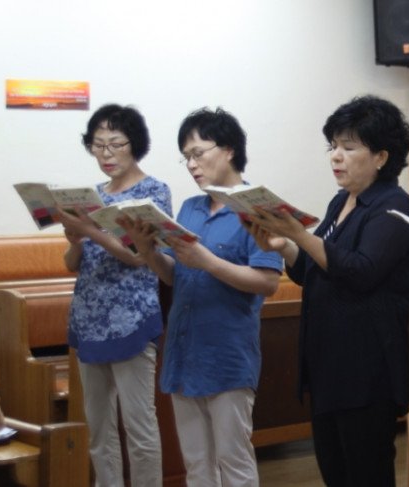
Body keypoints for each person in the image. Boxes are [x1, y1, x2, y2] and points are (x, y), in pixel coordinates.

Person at [243, 95, 409, 486]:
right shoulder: (341, 201)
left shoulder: (395, 206)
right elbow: (313, 269)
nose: (336, 156)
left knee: (367, 473)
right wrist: (283, 245)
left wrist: (299, 234)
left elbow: (361, 272)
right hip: (329, 364)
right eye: (333, 146)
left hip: (366, 369)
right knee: (335, 471)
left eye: (349, 147)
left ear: (381, 156)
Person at [121, 108, 282, 487]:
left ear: (228, 150)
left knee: (234, 462)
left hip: (226, 356)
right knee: (196, 465)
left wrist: (206, 261)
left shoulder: (256, 208)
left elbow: (267, 282)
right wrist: (147, 250)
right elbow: (175, 275)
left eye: (198, 153)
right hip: (184, 353)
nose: (192, 165)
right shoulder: (190, 208)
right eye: (186, 157)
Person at [57, 104, 167, 487]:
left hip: (132, 320)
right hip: (89, 319)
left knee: (140, 427)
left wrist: (91, 231)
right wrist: (75, 238)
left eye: (115, 144)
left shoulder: (153, 192)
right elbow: (72, 263)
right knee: (99, 429)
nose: (106, 154)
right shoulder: (93, 196)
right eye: (98, 145)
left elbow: (139, 257)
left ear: (134, 144)